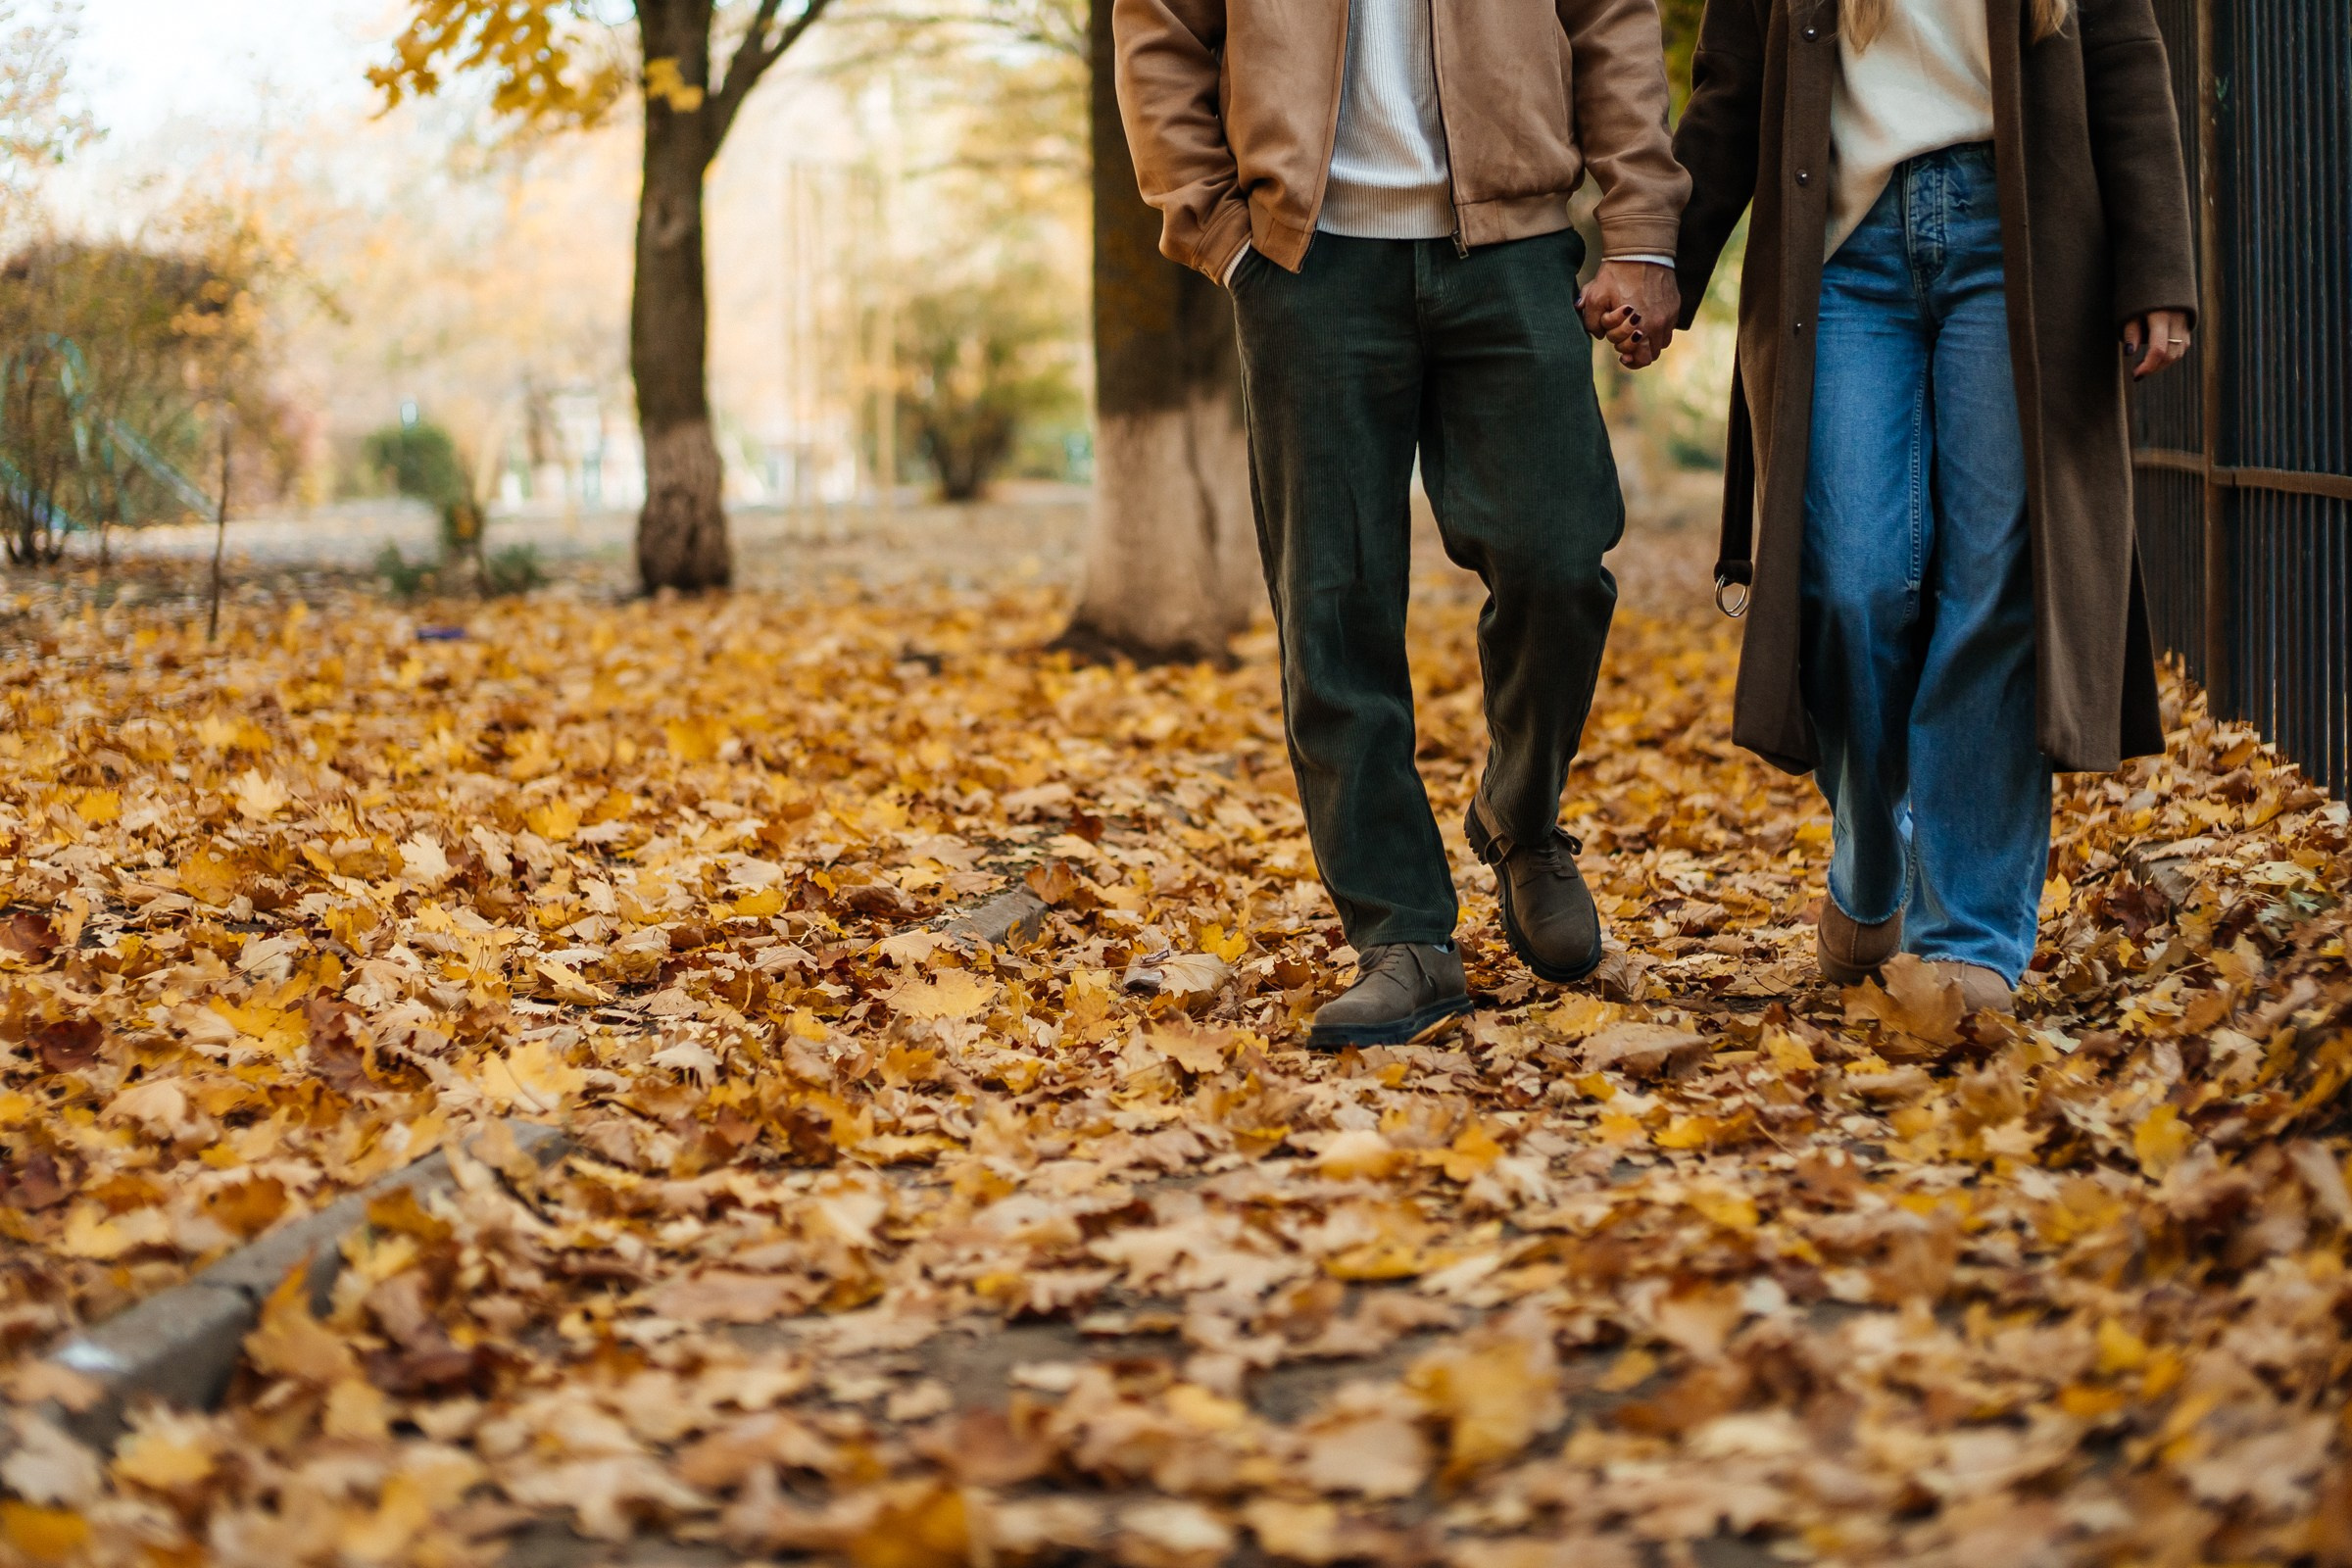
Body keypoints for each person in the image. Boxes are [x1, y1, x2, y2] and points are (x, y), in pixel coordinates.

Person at [1114, 0, 1690, 1047]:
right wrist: (1219, 229)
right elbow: (1159, 31)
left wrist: (1642, 226)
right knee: (1331, 606)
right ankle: (1404, 936)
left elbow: (1613, 22)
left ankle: (1522, 814)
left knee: (1558, 556)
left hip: (1511, 250)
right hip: (1306, 264)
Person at [1672, 0, 2196, 1013]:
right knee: (1849, 580)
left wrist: (2156, 263)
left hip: (2025, 241)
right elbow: (1731, 81)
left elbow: (2126, 53)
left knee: (1996, 583)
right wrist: (1661, 263)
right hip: (1844, 249)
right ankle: (1874, 852)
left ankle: (1969, 938)